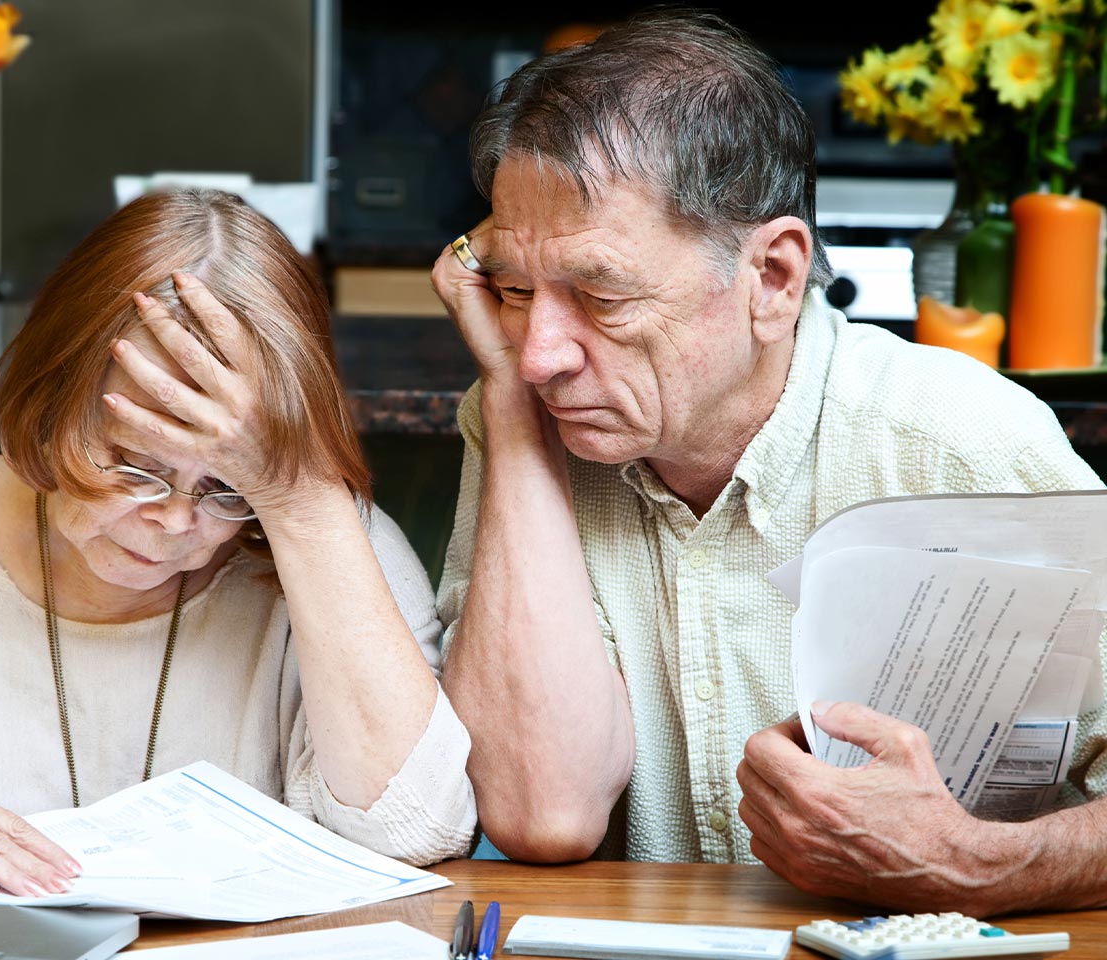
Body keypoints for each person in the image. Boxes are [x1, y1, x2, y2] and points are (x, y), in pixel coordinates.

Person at [431, 8, 1107, 915]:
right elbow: (539, 811)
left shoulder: (960, 441)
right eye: (514, 290)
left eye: (601, 294)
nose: (541, 352)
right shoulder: (524, 406)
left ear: (774, 279)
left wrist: (981, 863)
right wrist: (510, 415)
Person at [0, 189, 476, 893]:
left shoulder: (322, 539)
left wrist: (301, 502)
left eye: (226, 488)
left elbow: (415, 830)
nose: (174, 521)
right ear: (51, 402)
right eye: (136, 467)